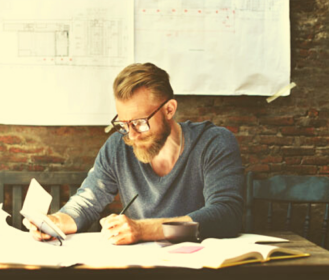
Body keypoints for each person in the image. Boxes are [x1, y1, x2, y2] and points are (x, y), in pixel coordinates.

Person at [23, 62, 244, 245]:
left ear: (169, 109)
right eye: (123, 123)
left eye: (139, 122)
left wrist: (144, 229)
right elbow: (87, 201)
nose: (132, 135)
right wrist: (56, 221)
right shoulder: (117, 147)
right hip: (141, 267)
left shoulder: (213, 142)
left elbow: (226, 215)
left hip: (200, 267)